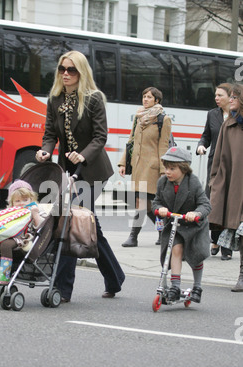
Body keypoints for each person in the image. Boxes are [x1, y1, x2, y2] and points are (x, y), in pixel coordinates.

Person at [36, 50, 125, 302]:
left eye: (71, 70)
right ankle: (116, 277)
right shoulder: (55, 99)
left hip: (93, 169)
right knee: (89, 226)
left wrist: (83, 155)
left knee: (69, 223)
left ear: (81, 72)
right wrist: (45, 151)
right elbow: (49, 133)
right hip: (68, 171)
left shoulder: (94, 98)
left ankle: (62, 289)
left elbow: (100, 137)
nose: (65, 73)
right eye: (62, 69)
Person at [152, 146, 211, 303]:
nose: (168, 172)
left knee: (196, 254)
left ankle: (197, 286)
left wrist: (196, 213)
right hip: (176, 225)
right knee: (175, 250)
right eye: (166, 168)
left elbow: (205, 204)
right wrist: (160, 209)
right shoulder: (163, 183)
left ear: (184, 169)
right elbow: (156, 202)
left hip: (194, 226)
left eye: (172, 168)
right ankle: (175, 287)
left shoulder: (193, 183)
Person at [118, 87, 171, 247]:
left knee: (148, 204)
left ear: (157, 100)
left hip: (153, 168)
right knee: (146, 205)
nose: (145, 99)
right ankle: (162, 232)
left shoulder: (163, 119)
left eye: (149, 97)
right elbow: (131, 141)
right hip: (138, 166)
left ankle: (134, 236)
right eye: (144, 96)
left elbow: (163, 146)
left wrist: (163, 170)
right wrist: (123, 163)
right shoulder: (139, 117)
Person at [0, 180, 43, 284]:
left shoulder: (33, 210)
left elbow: (41, 226)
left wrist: (35, 214)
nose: (21, 203)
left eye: (25, 200)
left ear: (32, 199)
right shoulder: (10, 212)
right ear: (11, 202)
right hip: (4, 235)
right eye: (17, 201)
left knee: (6, 245)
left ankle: (4, 274)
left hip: (21, 238)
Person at [208, 83, 243, 292]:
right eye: (229, 97)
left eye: (234, 97)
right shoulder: (228, 125)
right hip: (235, 189)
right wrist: (214, 184)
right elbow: (219, 160)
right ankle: (242, 275)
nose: (230, 100)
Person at [196, 83, 233, 261]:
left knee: (229, 203)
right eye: (215, 95)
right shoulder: (212, 114)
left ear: (230, 96)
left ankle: (226, 246)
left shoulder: (237, 115)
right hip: (215, 165)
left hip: (234, 166)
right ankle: (216, 240)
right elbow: (206, 136)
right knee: (215, 202)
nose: (216, 98)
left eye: (220, 95)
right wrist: (201, 145)